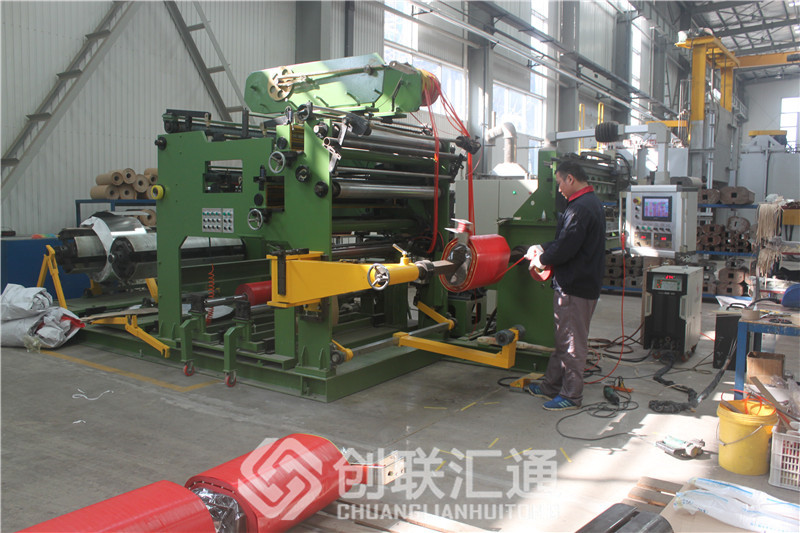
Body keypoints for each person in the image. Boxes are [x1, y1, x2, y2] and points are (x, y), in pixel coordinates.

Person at [524, 160, 605, 410]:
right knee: (563, 339)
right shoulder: (588, 203)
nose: (558, 188)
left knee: (572, 345)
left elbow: (567, 247)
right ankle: (551, 386)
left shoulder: (580, 208)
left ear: (570, 178)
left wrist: (541, 259)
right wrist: (542, 247)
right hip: (578, 283)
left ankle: (571, 396)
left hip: (575, 286)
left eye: (560, 182)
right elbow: (566, 240)